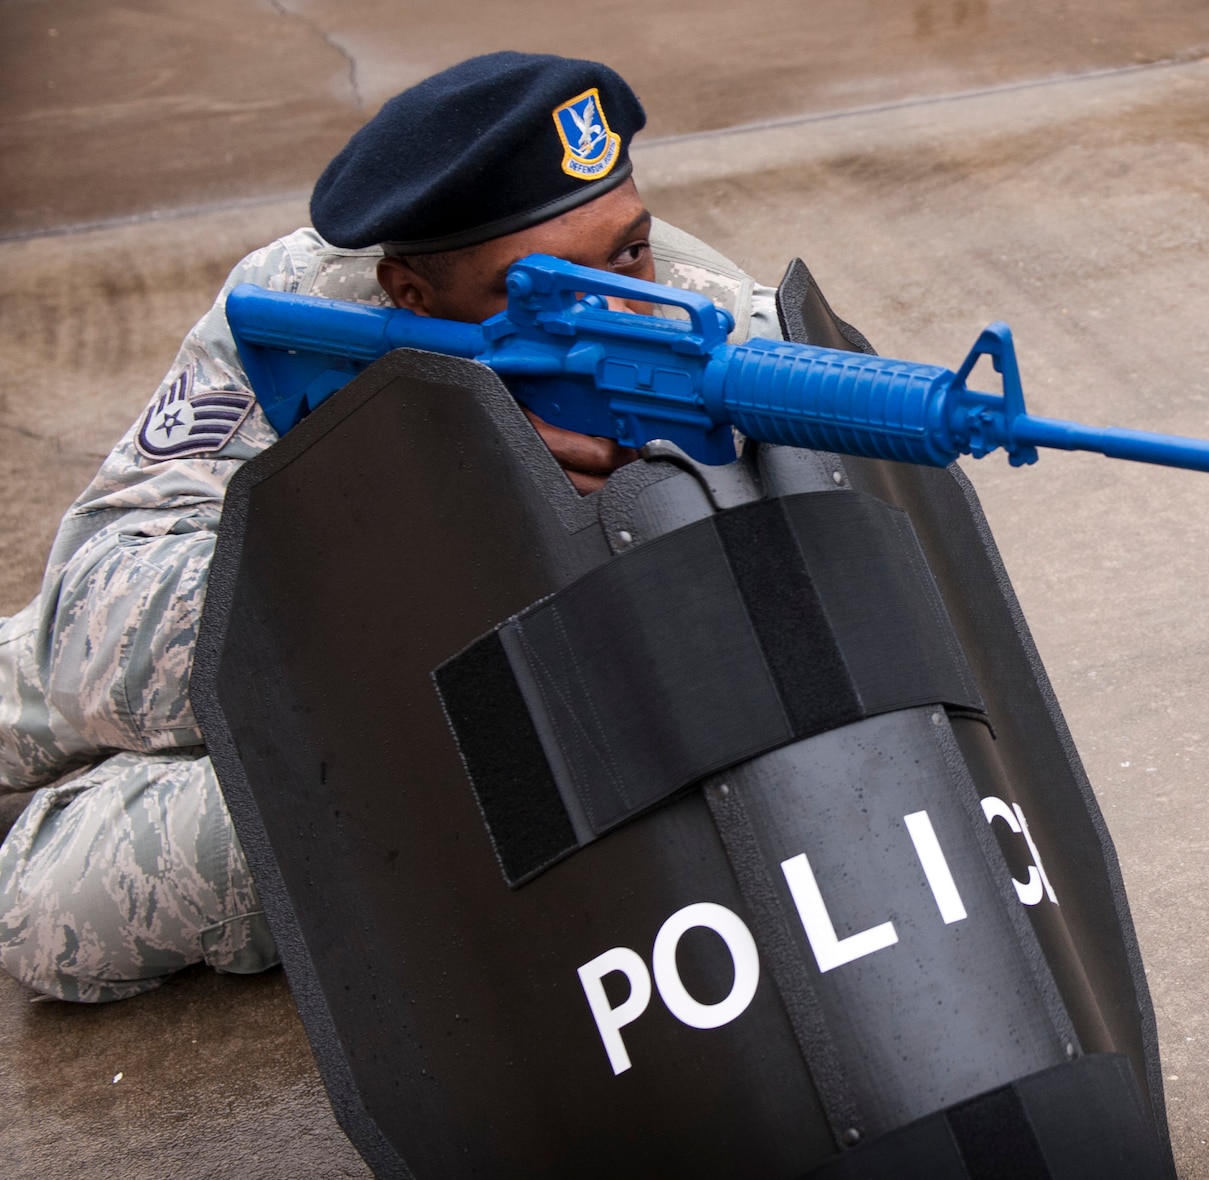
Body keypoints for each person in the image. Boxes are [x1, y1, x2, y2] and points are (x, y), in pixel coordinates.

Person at [0, 52, 782, 1002]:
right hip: (319, 624)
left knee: (49, 907)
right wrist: (432, 508)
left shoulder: (734, 342)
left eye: (629, 253)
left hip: (492, 739)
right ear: (410, 294)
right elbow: (88, 632)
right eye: (543, 291)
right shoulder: (311, 299)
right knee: (29, 682)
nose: (621, 311)